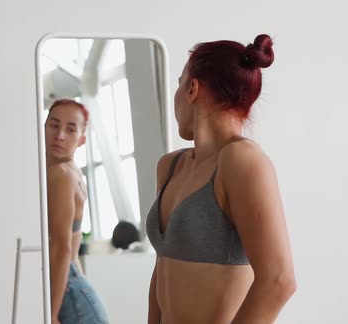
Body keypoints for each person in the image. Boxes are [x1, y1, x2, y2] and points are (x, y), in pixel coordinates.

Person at [146, 35, 296, 324]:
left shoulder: (241, 161)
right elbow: (162, 267)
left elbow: (279, 281)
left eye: (179, 83)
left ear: (192, 88)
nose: (175, 94)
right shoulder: (170, 166)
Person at [45, 99, 109, 324]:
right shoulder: (73, 173)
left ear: (81, 139)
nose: (60, 135)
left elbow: (61, 248)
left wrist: (50, 314)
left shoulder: (61, 174)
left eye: (70, 129)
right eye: (54, 125)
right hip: (77, 293)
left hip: (70, 300)